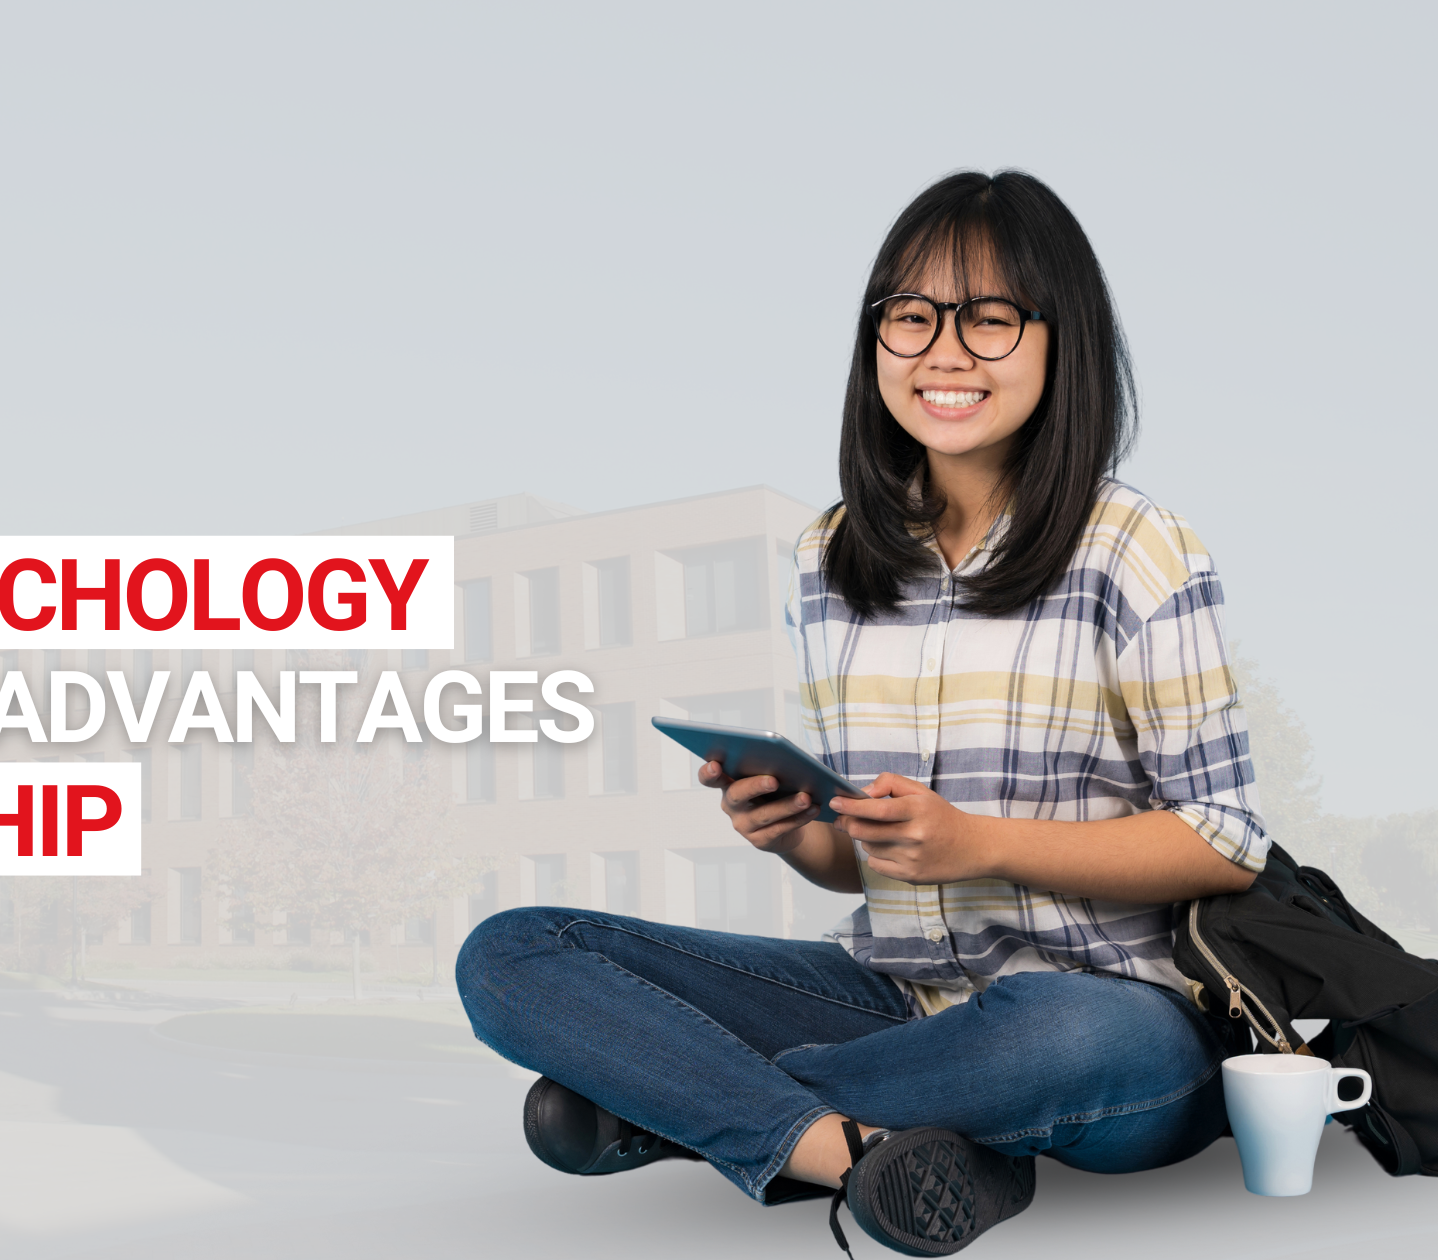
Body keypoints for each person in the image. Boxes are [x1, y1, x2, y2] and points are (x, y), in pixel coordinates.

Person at [456, 169, 1264, 1257]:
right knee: (513, 950)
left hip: (1112, 1015)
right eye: (910, 315)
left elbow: (1220, 844)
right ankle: (844, 1149)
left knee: (1062, 1034)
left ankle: (669, 1109)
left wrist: (975, 844)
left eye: (987, 318)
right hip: (891, 999)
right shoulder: (830, 559)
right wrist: (802, 834)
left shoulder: (1133, 548)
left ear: (1056, 339)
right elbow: (870, 864)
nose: (942, 352)